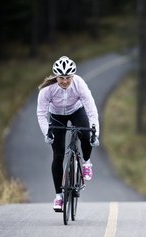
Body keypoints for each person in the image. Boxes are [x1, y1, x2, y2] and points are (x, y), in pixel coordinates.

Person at [36, 56, 100, 211]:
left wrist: (95, 133)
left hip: (76, 111)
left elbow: (91, 111)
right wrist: (47, 133)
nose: (64, 81)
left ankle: (86, 162)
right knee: (58, 156)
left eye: (68, 78)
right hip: (57, 116)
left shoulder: (80, 84)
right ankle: (58, 197)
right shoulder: (47, 89)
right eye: (61, 78)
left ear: (73, 76)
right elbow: (41, 113)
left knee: (85, 135)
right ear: (56, 77)